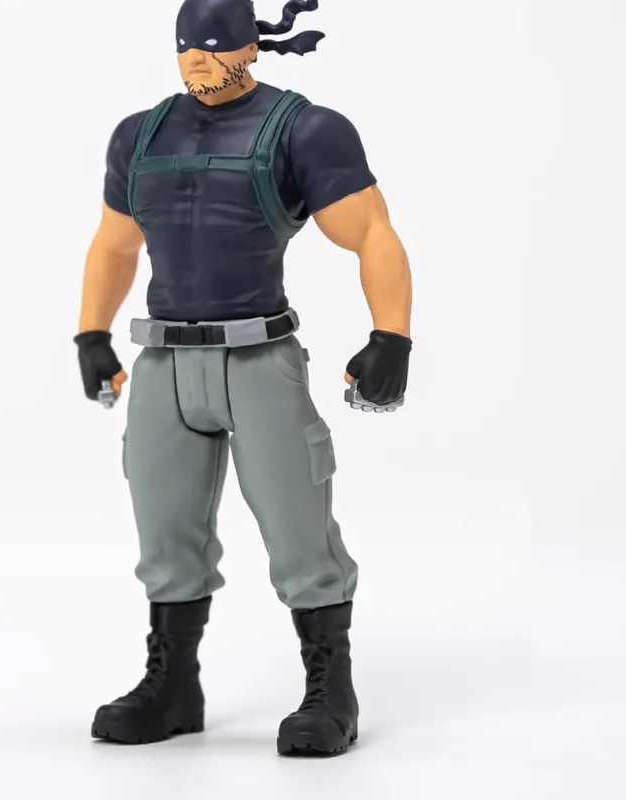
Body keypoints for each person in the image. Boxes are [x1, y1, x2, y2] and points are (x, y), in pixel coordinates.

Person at [75, 0, 413, 756]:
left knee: (300, 532)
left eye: (214, 45)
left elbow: (371, 232)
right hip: (163, 363)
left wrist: (391, 336)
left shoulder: (303, 130)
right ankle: (172, 685)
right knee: (164, 531)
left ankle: (331, 690)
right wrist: (91, 333)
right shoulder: (141, 135)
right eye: (185, 48)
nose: (197, 60)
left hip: (258, 357)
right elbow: (115, 246)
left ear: (253, 47)